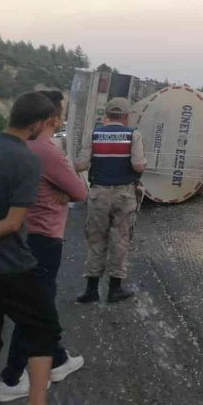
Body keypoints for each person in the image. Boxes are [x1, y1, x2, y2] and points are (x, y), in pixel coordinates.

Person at [0, 91, 87, 400]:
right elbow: (12, 222)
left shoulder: (7, 147)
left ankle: (51, 364)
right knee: (40, 320)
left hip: (14, 249)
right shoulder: (35, 155)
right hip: (25, 248)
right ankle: (18, 385)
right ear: (41, 122)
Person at [0, 92, 63, 405]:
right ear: (37, 124)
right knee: (44, 327)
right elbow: (12, 223)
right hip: (9, 264)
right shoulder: (26, 159)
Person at [74, 98, 146, 304]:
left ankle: (91, 290)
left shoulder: (94, 135)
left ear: (107, 114)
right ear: (126, 116)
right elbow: (138, 166)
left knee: (96, 239)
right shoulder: (134, 135)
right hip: (124, 194)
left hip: (99, 193)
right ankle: (115, 290)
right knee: (120, 239)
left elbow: (80, 165)